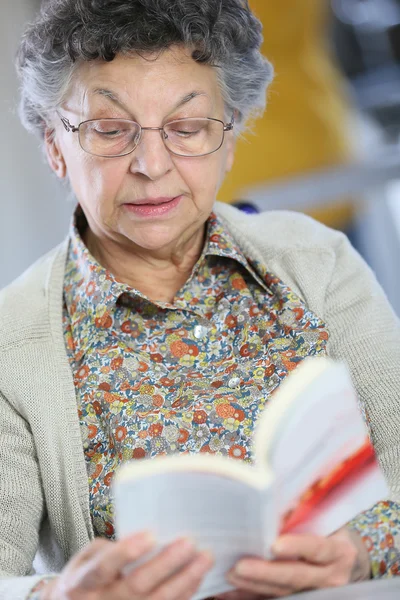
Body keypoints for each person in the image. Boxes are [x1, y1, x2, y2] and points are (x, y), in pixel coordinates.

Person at [1, 1, 400, 599]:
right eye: (110, 131)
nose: (153, 165)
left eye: (187, 129)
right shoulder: (12, 339)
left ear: (230, 137)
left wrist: (362, 550)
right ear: (55, 147)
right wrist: (55, 595)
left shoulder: (318, 259)